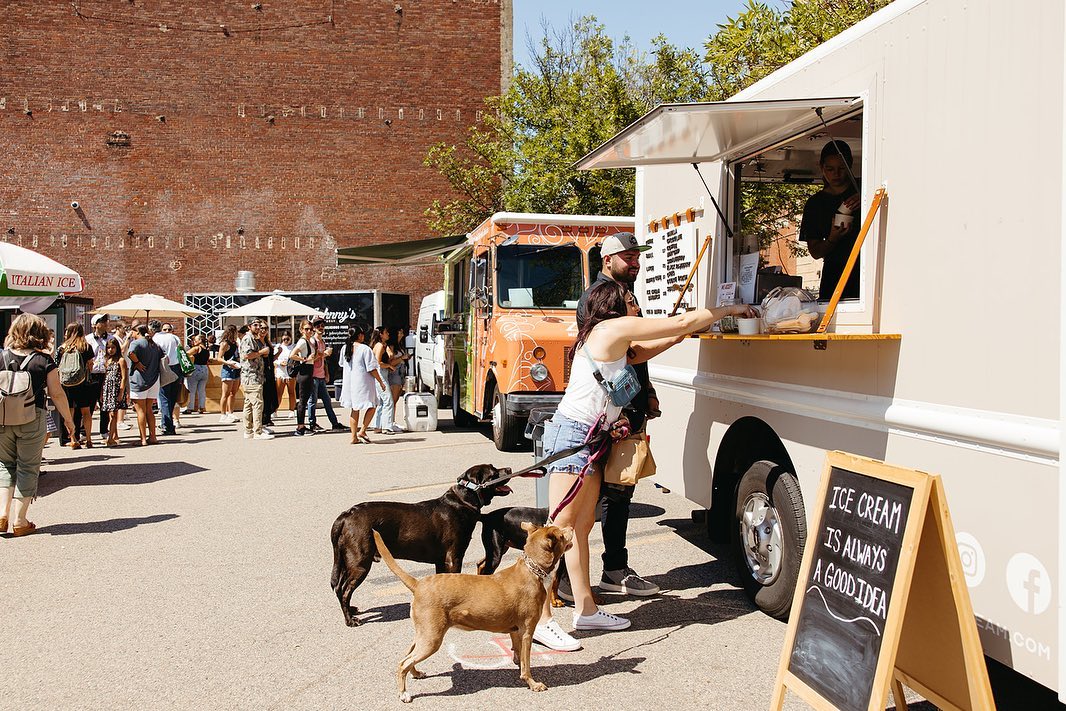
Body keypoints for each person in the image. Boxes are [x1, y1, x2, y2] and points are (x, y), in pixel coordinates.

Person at [532, 279, 755, 652]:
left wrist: (678, 337)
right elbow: (679, 322)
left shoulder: (609, 338)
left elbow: (641, 353)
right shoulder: (611, 328)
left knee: (580, 528)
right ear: (613, 305)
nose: (636, 305)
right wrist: (730, 309)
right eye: (630, 299)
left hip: (591, 438)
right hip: (573, 437)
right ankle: (540, 620)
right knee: (558, 532)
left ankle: (586, 610)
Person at [564, 231, 678, 603]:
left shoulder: (626, 294)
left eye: (636, 257)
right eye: (627, 257)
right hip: (609, 414)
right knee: (599, 498)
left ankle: (609, 571)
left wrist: (648, 391)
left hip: (626, 408)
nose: (634, 262)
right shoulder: (601, 298)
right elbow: (625, 355)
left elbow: (632, 358)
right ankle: (581, 576)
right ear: (607, 260)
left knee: (618, 491)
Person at [0, 314, 75, 537]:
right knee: (27, 467)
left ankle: (2, 515)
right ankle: (20, 521)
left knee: (4, 465)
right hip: (32, 417)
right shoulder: (43, 360)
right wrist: (68, 420)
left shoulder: (1, 356)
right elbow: (57, 393)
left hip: (2, 418)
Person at [799, 140, 862, 301]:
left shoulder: (865, 187)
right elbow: (815, 251)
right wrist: (833, 238)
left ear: (850, 166)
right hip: (834, 276)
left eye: (842, 168)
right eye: (830, 169)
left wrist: (866, 197)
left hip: (865, 271)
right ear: (821, 167)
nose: (836, 174)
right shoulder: (815, 204)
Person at [339, 325, 386, 444]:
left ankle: (353, 436)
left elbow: (342, 364)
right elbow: (372, 368)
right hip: (363, 383)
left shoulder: (345, 348)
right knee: (373, 405)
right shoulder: (365, 349)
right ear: (360, 335)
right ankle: (363, 430)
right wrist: (380, 381)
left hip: (350, 384)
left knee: (355, 409)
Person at [57, 322, 96, 449]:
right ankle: (89, 439)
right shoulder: (86, 346)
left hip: (67, 383)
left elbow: (58, 365)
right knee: (86, 412)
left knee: (70, 412)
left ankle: (73, 439)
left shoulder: (63, 348)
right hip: (82, 382)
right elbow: (90, 365)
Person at [305, 318, 344, 432]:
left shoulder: (322, 342)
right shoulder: (312, 341)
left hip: (321, 375)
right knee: (312, 401)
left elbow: (324, 360)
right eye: (318, 326)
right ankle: (312, 423)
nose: (320, 327)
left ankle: (335, 423)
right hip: (313, 375)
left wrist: (326, 373)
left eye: (322, 325)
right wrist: (324, 354)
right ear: (314, 328)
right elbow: (311, 359)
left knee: (327, 401)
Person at [126, 324, 162, 446]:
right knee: (149, 410)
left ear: (137, 332)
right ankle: (153, 436)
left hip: (139, 380)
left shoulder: (136, 343)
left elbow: (130, 353)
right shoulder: (154, 344)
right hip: (154, 380)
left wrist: (137, 362)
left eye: (132, 331)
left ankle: (143, 439)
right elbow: (162, 355)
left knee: (140, 411)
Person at [238, 320, 273, 440]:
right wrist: (261, 352)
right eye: (255, 325)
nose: (258, 327)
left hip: (255, 375)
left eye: (259, 325)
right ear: (249, 327)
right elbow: (247, 355)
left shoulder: (253, 339)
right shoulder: (248, 338)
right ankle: (257, 432)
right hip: (251, 376)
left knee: (248, 404)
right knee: (258, 404)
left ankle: (248, 431)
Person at [150, 320, 182, 436]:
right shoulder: (174, 337)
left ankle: (168, 425)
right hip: (176, 368)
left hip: (164, 368)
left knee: (164, 398)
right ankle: (166, 423)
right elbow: (181, 351)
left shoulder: (155, 339)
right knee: (172, 398)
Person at [85, 314, 114, 442]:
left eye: (105, 320)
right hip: (92, 373)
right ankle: (85, 431)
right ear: (95, 325)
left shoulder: (111, 338)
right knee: (90, 403)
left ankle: (104, 430)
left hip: (106, 373)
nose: (105, 323)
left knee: (105, 403)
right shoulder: (88, 339)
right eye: (102, 321)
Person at [289, 321, 317, 437]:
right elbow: (292, 355)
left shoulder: (310, 341)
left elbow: (313, 357)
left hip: (309, 371)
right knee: (302, 400)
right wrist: (304, 359)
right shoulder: (302, 341)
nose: (309, 331)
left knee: (305, 399)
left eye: (310, 329)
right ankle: (300, 427)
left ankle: (302, 425)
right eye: (306, 329)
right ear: (301, 330)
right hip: (304, 372)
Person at [99, 338, 129, 447]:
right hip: (107, 389)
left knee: (114, 414)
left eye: (113, 347)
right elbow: (105, 377)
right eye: (108, 348)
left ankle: (111, 438)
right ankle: (114, 436)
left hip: (116, 389)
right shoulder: (107, 360)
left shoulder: (121, 360)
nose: (110, 350)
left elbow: (124, 377)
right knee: (109, 413)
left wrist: (121, 392)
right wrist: (102, 392)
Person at [369, 326, 397, 434]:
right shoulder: (380, 345)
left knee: (381, 401)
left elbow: (390, 356)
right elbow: (378, 362)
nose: (388, 334)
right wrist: (389, 366)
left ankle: (378, 425)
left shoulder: (381, 345)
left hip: (381, 374)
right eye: (386, 332)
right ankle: (387, 426)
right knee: (388, 400)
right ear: (381, 334)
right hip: (380, 374)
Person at [217, 325, 241, 423]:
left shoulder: (235, 343)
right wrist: (228, 363)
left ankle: (230, 412)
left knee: (233, 393)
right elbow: (219, 358)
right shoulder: (225, 343)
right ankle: (223, 414)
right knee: (225, 393)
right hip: (228, 369)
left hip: (236, 368)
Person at [182, 334, 210, 415]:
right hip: (205, 369)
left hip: (196, 368)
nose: (194, 341)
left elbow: (185, 354)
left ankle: (190, 408)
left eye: (196, 340)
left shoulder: (197, 348)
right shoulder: (207, 349)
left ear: (200, 340)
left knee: (192, 390)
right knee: (202, 390)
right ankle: (202, 407)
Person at [260, 325, 279, 433]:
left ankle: (267, 419)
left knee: (271, 397)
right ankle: (262, 421)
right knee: (264, 397)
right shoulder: (257, 342)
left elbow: (271, 358)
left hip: (270, 371)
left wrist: (278, 353)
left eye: (265, 328)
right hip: (261, 372)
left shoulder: (267, 342)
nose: (263, 330)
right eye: (261, 328)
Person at [274, 333, 297, 419]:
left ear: (290, 338)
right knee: (279, 393)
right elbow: (274, 359)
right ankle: (275, 410)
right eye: (284, 339)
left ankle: (292, 410)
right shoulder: (278, 347)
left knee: (292, 392)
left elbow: (297, 358)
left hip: (290, 372)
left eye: (287, 339)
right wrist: (280, 363)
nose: (286, 341)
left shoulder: (294, 347)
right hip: (280, 372)